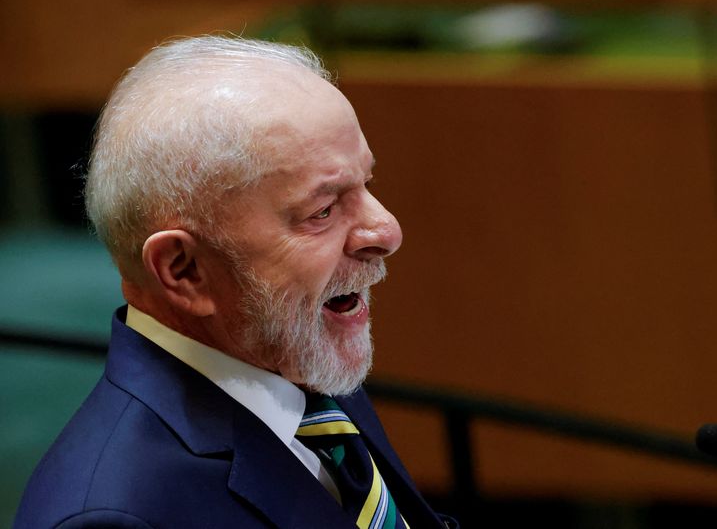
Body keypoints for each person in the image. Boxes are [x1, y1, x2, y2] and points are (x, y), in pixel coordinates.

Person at [15, 36, 456, 529]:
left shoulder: (292, 354)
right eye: (323, 211)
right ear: (185, 270)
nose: (387, 231)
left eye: (366, 184)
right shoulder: (116, 515)